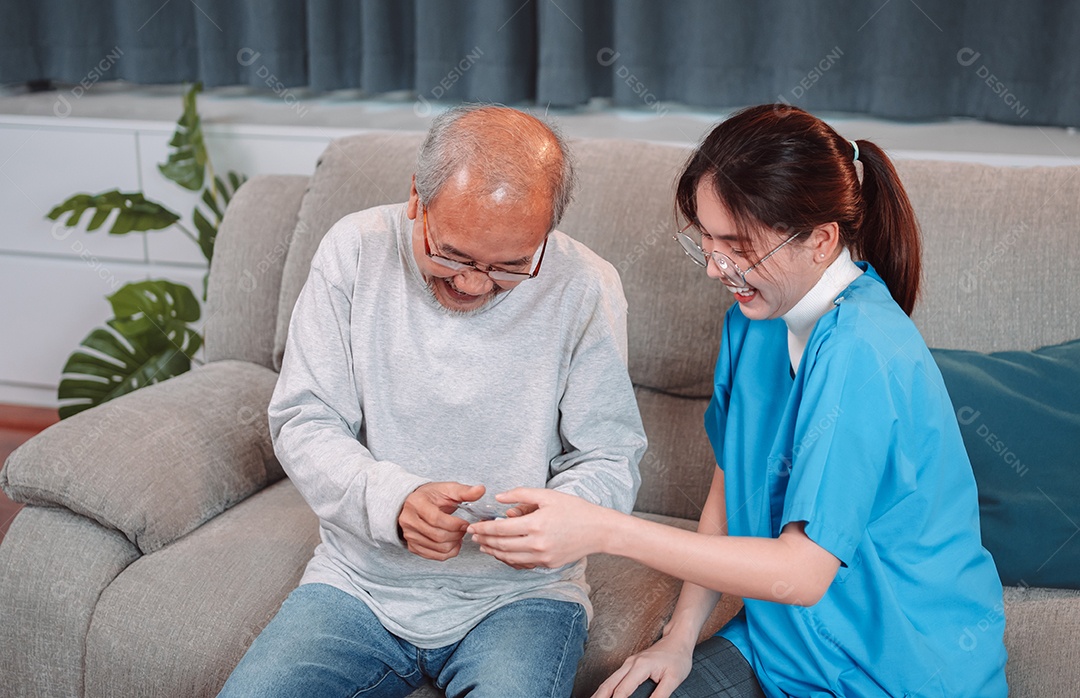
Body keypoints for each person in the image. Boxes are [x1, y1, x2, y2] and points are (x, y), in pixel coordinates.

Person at [470, 104, 1008, 697]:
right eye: (704, 239)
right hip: (782, 643)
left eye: (738, 246)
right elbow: (729, 491)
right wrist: (678, 637)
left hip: (895, 669)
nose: (715, 268)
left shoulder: (864, 352)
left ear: (821, 241)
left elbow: (803, 575)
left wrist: (604, 530)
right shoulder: (754, 321)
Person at [217, 105, 647, 698]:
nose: (473, 283)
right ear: (416, 197)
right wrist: (394, 501)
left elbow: (609, 456)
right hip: (359, 585)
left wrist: (560, 518)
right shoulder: (354, 251)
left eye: (509, 267)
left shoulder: (586, 286)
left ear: (546, 232)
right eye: (453, 255)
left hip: (522, 598)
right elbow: (304, 417)